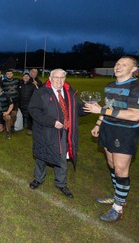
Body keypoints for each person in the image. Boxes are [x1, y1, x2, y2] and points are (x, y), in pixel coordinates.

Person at [84, 56, 139, 222]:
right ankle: (117, 196)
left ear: (134, 69)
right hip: (107, 128)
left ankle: (118, 207)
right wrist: (99, 124)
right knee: (112, 164)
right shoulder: (110, 86)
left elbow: (136, 115)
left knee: (121, 169)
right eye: (117, 64)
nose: (118, 67)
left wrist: (103, 112)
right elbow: (107, 107)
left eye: (124, 65)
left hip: (124, 132)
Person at [28, 69, 85, 198]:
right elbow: (34, 111)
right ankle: (38, 178)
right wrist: (52, 122)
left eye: (62, 77)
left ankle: (61, 183)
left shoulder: (70, 93)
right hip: (45, 131)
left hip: (64, 131)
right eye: (56, 77)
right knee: (42, 156)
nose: (59, 80)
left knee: (62, 157)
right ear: (50, 78)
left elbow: (77, 110)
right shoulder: (41, 92)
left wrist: (89, 107)